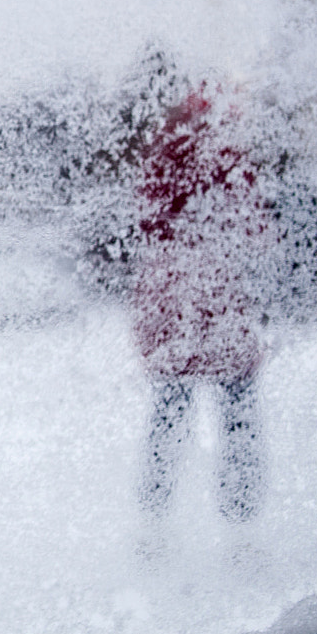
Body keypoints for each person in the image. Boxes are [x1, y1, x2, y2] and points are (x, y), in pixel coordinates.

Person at [132, 81, 269, 528]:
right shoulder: (228, 158)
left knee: (169, 410)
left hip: (173, 310)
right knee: (237, 410)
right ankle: (241, 514)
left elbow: (146, 222)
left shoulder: (161, 158)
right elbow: (258, 230)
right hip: (220, 306)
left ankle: (154, 509)